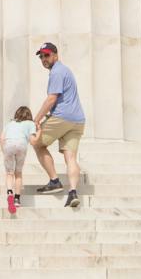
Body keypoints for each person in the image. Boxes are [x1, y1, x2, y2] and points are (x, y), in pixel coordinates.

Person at [32, 42, 85, 208]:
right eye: (41, 56)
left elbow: (52, 99)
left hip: (63, 117)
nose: (44, 59)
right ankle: (73, 192)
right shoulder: (66, 70)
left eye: (47, 55)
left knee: (36, 142)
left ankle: (54, 181)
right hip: (78, 120)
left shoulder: (56, 72)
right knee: (70, 157)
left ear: (56, 55)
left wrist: (37, 119)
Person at [0, 106, 37, 214]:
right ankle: (17, 199)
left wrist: (4, 151)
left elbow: (2, 138)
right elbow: (33, 141)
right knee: (18, 173)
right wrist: (39, 132)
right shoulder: (31, 124)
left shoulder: (10, 124)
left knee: (9, 173)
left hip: (8, 145)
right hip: (21, 145)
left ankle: (9, 192)